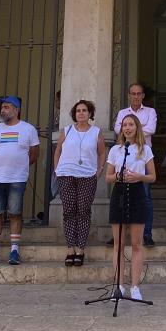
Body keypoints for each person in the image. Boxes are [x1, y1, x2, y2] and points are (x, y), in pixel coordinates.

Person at [0, 96, 39, 266]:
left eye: (6, 107)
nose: (2, 110)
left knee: (15, 213)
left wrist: (19, 166)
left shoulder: (28, 129)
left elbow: (34, 153)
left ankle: (14, 251)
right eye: (2, 107)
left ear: (16, 109)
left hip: (17, 178)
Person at [106, 113, 156, 301]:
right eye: (125, 125)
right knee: (118, 244)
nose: (127, 128)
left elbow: (152, 176)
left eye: (131, 125)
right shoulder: (116, 150)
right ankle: (118, 285)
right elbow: (108, 177)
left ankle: (135, 286)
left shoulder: (145, 149)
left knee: (136, 244)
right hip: (119, 193)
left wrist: (139, 177)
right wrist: (119, 176)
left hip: (137, 193)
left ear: (137, 128)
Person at [53, 99, 105, 266]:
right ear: (74, 114)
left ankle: (80, 249)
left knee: (83, 210)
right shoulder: (66, 131)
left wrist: (99, 170)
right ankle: (70, 248)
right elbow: (58, 151)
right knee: (68, 211)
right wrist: (57, 169)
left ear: (90, 114)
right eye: (78, 111)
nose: (81, 113)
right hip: (66, 174)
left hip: (87, 176)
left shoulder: (96, 132)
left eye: (84, 110)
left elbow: (102, 153)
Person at [112, 83, 157, 246]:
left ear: (143, 95)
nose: (136, 96)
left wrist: (135, 129)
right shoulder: (122, 112)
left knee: (144, 196)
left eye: (139, 93)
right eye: (133, 93)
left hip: (142, 156)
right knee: (121, 196)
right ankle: (120, 233)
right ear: (129, 95)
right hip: (124, 153)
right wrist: (138, 128)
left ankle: (146, 233)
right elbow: (118, 129)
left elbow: (152, 129)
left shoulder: (150, 111)